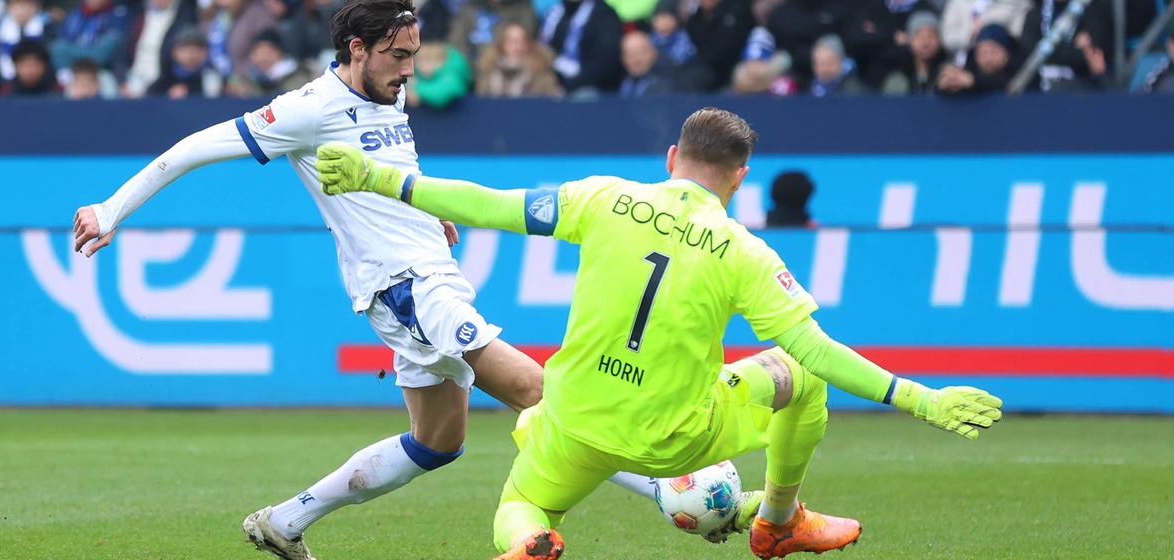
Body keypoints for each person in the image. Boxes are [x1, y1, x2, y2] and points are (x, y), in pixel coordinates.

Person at [70, 3, 711, 558]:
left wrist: (426, 211)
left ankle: (284, 522)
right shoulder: (307, 109)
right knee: (535, 388)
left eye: (413, 55)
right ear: (358, 49)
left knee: (438, 441)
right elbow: (191, 150)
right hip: (404, 285)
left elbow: (396, 162)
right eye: (398, 56)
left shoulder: (389, 92)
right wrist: (110, 209)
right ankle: (666, 491)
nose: (409, 70)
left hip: (428, 269)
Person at [313, 107, 1004, 560]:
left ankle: (529, 543)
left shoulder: (602, 198)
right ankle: (779, 521)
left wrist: (379, 177)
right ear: (740, 177)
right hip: (677, 438)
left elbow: (488, 206)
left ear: (673, 156)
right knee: (803, 377)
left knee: (524, 503)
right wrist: (917, 397)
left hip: (575, 419)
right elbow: (815, 348)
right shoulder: (745, 253)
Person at [473, 20, 562, 98]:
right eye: (511, 41)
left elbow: (554, 101)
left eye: (522, 41)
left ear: (529, 44)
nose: (517, 46)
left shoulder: (542, 74)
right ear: (501, 45)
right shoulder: (488, 72)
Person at [146, 27, 222, 98]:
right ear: (175, 52)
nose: (192, 54)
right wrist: (168, 95)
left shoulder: (215, 79)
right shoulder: (164, 80)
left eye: (198, 49)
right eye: (187, 49)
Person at [618, 30, 673, 97]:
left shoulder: (667, 87)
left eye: (641, 52)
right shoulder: (622, 85)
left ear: (653, 53)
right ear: (623, 59)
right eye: (630, 54)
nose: (636, 59)